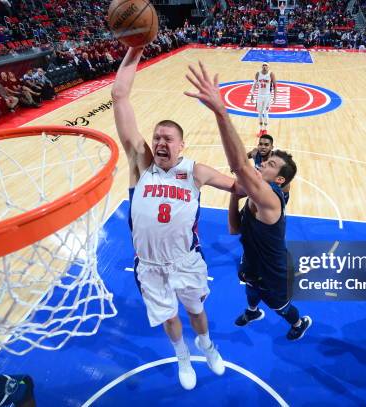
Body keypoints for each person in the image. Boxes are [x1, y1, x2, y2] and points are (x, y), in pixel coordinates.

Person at [112, 47, 237, 390]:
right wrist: (135, 49)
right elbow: (119, 96)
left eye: (168, 138)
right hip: (149, 264)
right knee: (169, 317)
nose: (160, 142)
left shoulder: (194, 171)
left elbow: (239, 186)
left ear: (182, 145)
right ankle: (183, 355)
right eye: (156, 138)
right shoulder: (141, 166)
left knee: (196, 313)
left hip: (187, 260)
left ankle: (206, 345)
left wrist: (264, 196)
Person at [184, 61, 311, 341]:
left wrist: (221, 112)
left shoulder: (271, 199)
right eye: (267, 158)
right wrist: (234, 194)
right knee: (250, 288)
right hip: (252, 260)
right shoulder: (254, 196)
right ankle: (252, 311)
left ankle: (299, 322)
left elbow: (240, 166)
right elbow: (234, 229)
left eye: (272, 163)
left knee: (280, 305)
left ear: (279, 179)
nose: (265, 162)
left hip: (273, 268)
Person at [247, 134, 290, 203]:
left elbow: (286, 184)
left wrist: (282, 199)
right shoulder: (255, 153)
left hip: (274, 192)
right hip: (260, 188)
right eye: (260, 144)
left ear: (271, 147)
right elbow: (245, 156)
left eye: (266, 145)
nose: (263, 147)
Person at [250, 62, 276, 137]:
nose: (264, 67)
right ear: (261, 67)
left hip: (267, 96)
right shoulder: (258, 74)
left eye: (266, 65)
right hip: (259, 96)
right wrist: (252, 94)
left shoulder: (271, 74)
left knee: (266, 113)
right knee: (260, 113)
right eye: (263, 65)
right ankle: (261, 129)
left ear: (268, 67)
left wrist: (275, 96)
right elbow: (254, 85)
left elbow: (275, 86)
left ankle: (266, 130)